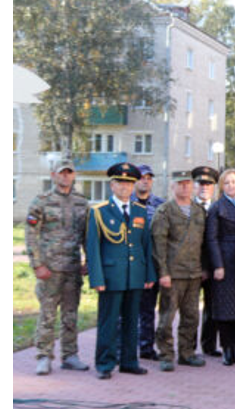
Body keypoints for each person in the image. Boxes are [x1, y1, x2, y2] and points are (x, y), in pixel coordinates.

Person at [85, 162, 156, 379]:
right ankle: (105, 364)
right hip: (110, 276)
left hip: (135, 275)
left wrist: (149, 274)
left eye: (129, 183)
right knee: (108, 322)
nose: (125, 187)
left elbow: (146, 246)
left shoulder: (140, 211)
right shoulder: (99, 212)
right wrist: (96, 277)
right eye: (120, 183)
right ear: (112, 185)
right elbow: (93, 248)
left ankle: (129, 361)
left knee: (131, 320)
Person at [26, 157, 90, 375]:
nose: (65, 176)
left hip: (72, 269)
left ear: (73, 175)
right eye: (61, 172)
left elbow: (87, 235)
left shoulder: (82, 202)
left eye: (69, 172)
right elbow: (31, 235)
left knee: (71, 315)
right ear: (53, 175)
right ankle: (44, 356)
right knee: (47, 315)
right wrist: (37, 265)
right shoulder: (41, 201)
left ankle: (70, 355)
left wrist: (88, 260)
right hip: (49, 270)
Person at [151, 170, 209, 372]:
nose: (184, 187)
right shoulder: (164, 211)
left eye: (188, 183)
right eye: (180, 184)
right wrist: (163, 273)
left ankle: (187, 353)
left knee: (191, 316)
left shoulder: (199, 210)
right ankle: (166, 354)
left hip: (194, 273)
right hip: (173, 274)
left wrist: (203, 268)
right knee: (167, 317)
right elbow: (159, 245)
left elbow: (204, 243)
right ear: (172, 186)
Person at [205, 168, 235, 366]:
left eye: (234, 182)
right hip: (224, 257)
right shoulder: (217, 207)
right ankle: (226, 348)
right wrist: (217, 265)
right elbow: (211, 238)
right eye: (227, 182)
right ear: (221, 186)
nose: (231, 186)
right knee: (224, 308)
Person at [131, 164, 165, 360]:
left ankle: (146, 348)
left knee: (148, 309)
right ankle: (122, 349)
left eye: (149, 177)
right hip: (132, 264)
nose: (146, 180)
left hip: (153, 264)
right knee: (126, 310)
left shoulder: (160, 205)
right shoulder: (127, 202)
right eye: (142, 177)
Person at [193, 166, 221, 358]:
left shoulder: (217, 208)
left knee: (212, 309)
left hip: (213, 268)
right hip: (191, 268)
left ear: (214, 187)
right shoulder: (187, 208)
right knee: (190, 311)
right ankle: (188, 347)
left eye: (209, 184)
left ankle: (209, 346)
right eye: (201, 184)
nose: (205, 187)